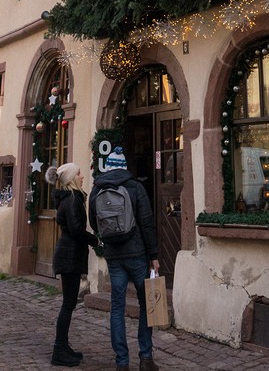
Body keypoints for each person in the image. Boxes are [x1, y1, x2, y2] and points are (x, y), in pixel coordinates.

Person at [88, 147, 160, 371]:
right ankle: (146, 357)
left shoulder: (96, 189)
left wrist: (107, 240)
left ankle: (122, 362)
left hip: (114, 255)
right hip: (137, 253)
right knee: (146, 304)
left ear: (107, 168)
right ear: (124, 166)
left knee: (117, 307)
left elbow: (93, 222)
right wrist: (154, 255)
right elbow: (146, 223)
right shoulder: (135, 187)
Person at [45, 162, 99, 367]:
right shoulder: (72, 199)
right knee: (68, 304)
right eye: (79, 173)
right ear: (70, 179)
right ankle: (59, 349)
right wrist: (95, 241)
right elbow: (76, 229)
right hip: (69, 256)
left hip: (69, 254)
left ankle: (63, 346)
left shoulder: (69, 198)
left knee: (69, 303)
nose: (82, 176)